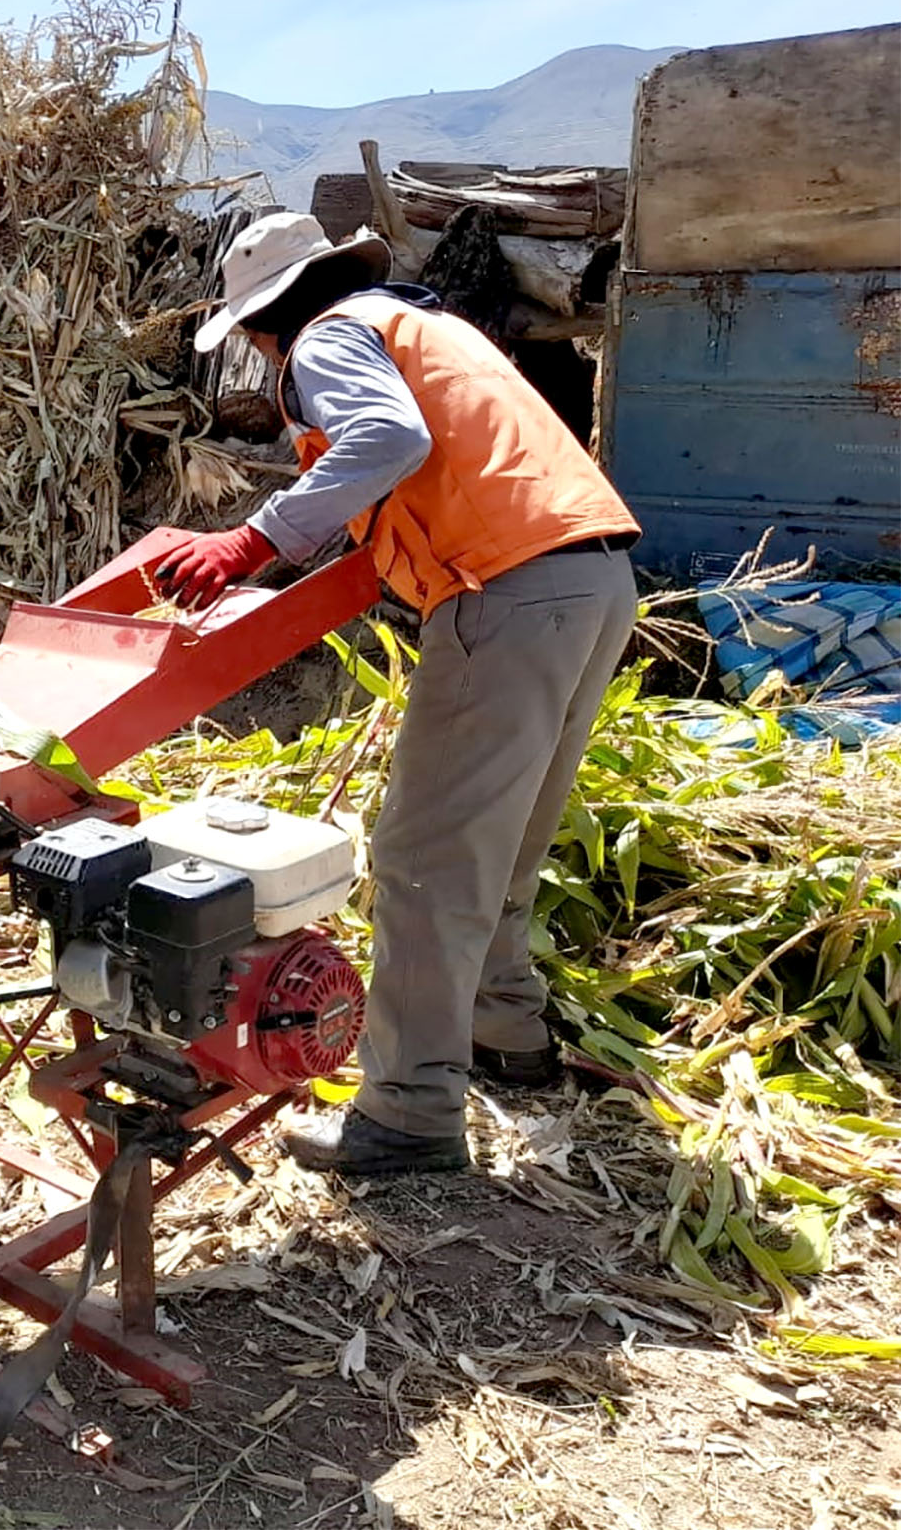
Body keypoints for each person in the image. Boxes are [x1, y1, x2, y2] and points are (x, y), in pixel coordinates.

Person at [158, 212, 639, 1176]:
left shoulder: (327, 339)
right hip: (591, 582)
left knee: (424, 857)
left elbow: (385, 438)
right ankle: (508, 1034)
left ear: (262, 326)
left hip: (503, 590)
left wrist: (250, 540)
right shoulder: (435, 328)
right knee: (501, 842)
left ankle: (410, 1113)